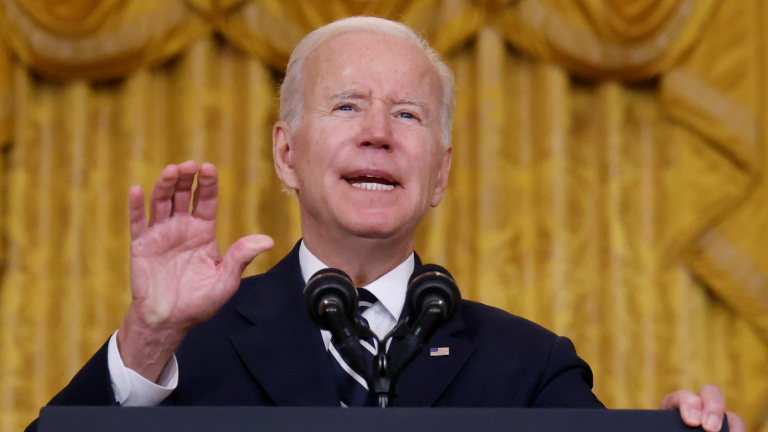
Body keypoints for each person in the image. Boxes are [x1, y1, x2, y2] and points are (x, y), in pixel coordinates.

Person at [27, 16, 744, 432]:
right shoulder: (186, 351)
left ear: (440, 172)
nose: (379, 133)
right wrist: (149, 336)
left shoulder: (528, 367)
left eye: (408, 115)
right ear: (286, 153)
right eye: (346, 107)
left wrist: (681, 430)